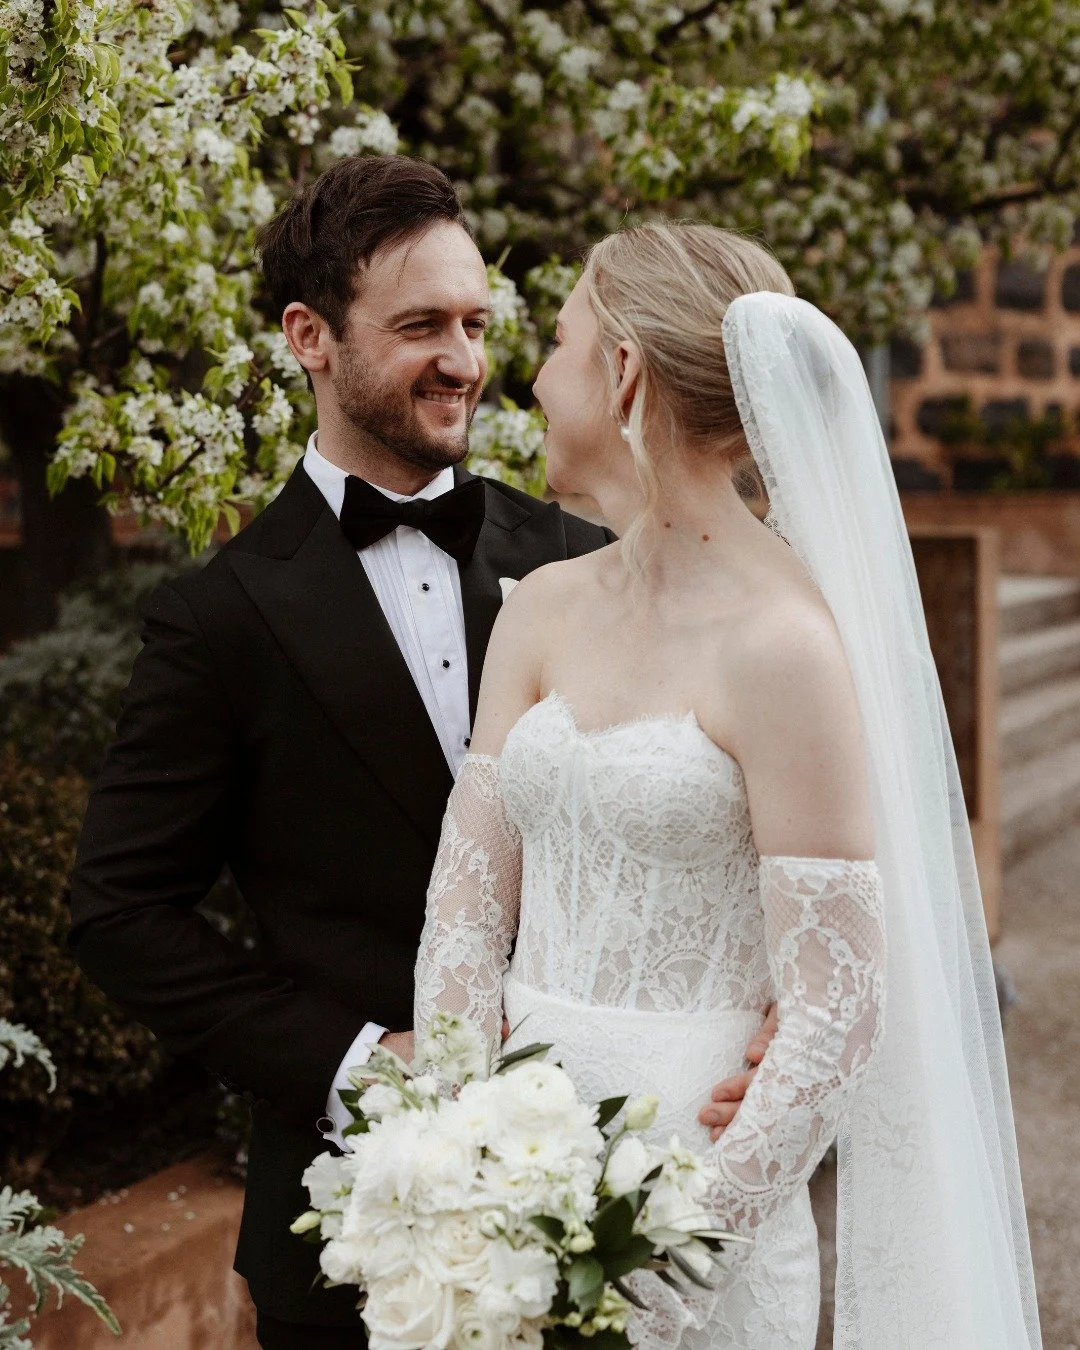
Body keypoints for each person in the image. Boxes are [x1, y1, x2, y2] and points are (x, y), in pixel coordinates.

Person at [66, 157, 773, 1350]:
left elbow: (733, 814)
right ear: (311, 338)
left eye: (476, 323)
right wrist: (355, 1063)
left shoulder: (573, 547)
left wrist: (761, 1006)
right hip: (362, 1228)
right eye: (419, 327)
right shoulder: (221, 617)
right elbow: (118, 909)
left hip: (630, 1185)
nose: (464, 359)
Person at [413, 221, 1042, 1346]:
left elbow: (837, 1001)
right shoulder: (543, 605)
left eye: (559, 343)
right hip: (503, 1196)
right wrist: (459, 1170)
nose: (535, 378)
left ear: (622, 372)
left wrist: (663, 1267)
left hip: (700, 1213)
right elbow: (464, 913)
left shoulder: (786, 645)